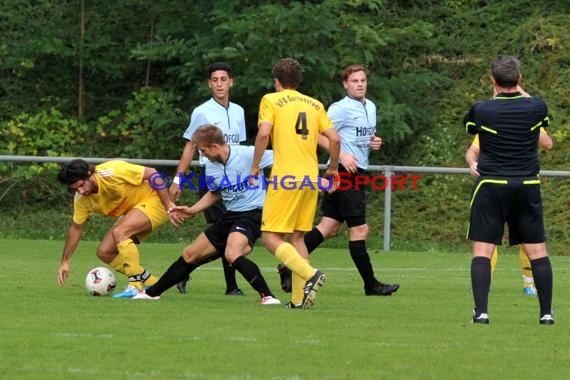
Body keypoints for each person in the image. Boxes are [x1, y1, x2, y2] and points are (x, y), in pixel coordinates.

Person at [278, 64, 400, 296]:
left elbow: (359, 137)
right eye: (354, 81)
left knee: (329, 227)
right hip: (343, 174)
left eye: (363, 80)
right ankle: (371, 284)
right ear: (345, 84)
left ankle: (288, 266)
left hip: (359, 172)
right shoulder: (340, 108)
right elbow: (315, 132)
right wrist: (341, 155)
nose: (360, 84)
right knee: (360, 229)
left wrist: (373, 142)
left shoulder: (371, 107)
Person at [133, 124, 280, 305]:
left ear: (214, 147)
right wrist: (192, 210)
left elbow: (284, 158)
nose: (202, 155)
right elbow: (215, 193)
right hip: (230, 215)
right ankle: (151, 293)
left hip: (253, 214)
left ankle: (269, 297)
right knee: (190, 254)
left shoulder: (249, 154)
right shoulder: (211, 166)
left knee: (232, 253)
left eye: (203, 151)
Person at [464, 55, 553, 325]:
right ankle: (546, 313)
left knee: (483, 249)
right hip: (526, 184)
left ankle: (482, 312)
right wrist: (520, 90)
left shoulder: (481, 110)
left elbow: (475, 134)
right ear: (520, 79)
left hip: (492, 184)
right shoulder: (537, 107)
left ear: (492, 81)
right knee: (538, 250)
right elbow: (546, 138)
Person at [249, 58, 341, 309]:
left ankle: (310, 274)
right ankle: (299, 300)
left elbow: (264, 133)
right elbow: (334, 138)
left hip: (285, 178)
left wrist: (255, 166)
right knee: (297, 237)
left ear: (277, 81)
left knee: (270, 237)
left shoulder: (271, 99)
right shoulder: (315, 104)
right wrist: (332, 168)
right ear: (298, 81)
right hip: (311, 179)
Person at [170, 62, 247, 296]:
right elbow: (190, 146)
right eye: (215, 80)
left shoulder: (239, 111)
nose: (220, 84)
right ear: (209, 83)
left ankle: (184, 270)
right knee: (227, 229)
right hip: (213, 178)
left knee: (228, 231)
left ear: (231, 82)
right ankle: (231, 286)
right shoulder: (202, 111)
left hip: (235, 177)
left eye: (224, 79)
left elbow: (239, 148)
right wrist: (178, 180)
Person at [56, 159, 175, 298]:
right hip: (134, 211)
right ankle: (153, 281)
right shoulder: (81, 200)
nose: (80, 191)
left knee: (121, 231)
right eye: (75, 189)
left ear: (90, 174)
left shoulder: (112, 171)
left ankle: (135, 286)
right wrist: (65, 261)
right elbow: (76, 228)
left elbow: (153, 173)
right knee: (104, 252)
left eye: (81, 185)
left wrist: (169, 206)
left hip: (155, 200)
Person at [465, 126, 553, 296]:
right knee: (487, 240)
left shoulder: (532, 120)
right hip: (495, 187)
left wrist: (535, 123)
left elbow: (547, 143)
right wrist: (472, 162)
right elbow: (473, 150)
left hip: (523, 187)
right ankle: (485, 285)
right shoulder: (490, 122)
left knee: (529, 240)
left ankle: (529, 283)